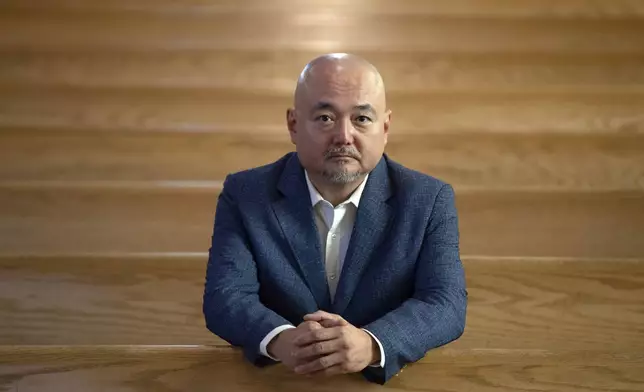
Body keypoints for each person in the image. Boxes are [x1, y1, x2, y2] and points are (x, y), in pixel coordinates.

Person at [203, 53, 467, 385]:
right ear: (294, 125)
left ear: (384, 128)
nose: (343, 136)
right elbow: (226, 296)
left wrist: (372, 344)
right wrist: (284, 340)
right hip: (279, 382)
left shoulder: (429, 200)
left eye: (362, 119)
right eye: (326, 118)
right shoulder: (245, 194)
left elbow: (445, 303)